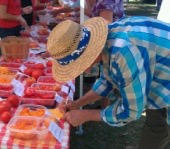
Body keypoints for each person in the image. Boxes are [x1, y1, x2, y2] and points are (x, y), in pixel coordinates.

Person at [47, 17, 170, 149]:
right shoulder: (109, 43)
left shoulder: (124, 51)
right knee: (155, 133)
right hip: (161, 86)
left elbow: (131, 111)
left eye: (76, 67)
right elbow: (107, 82)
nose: (79, 72)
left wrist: (85, 115)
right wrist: (77, 104)